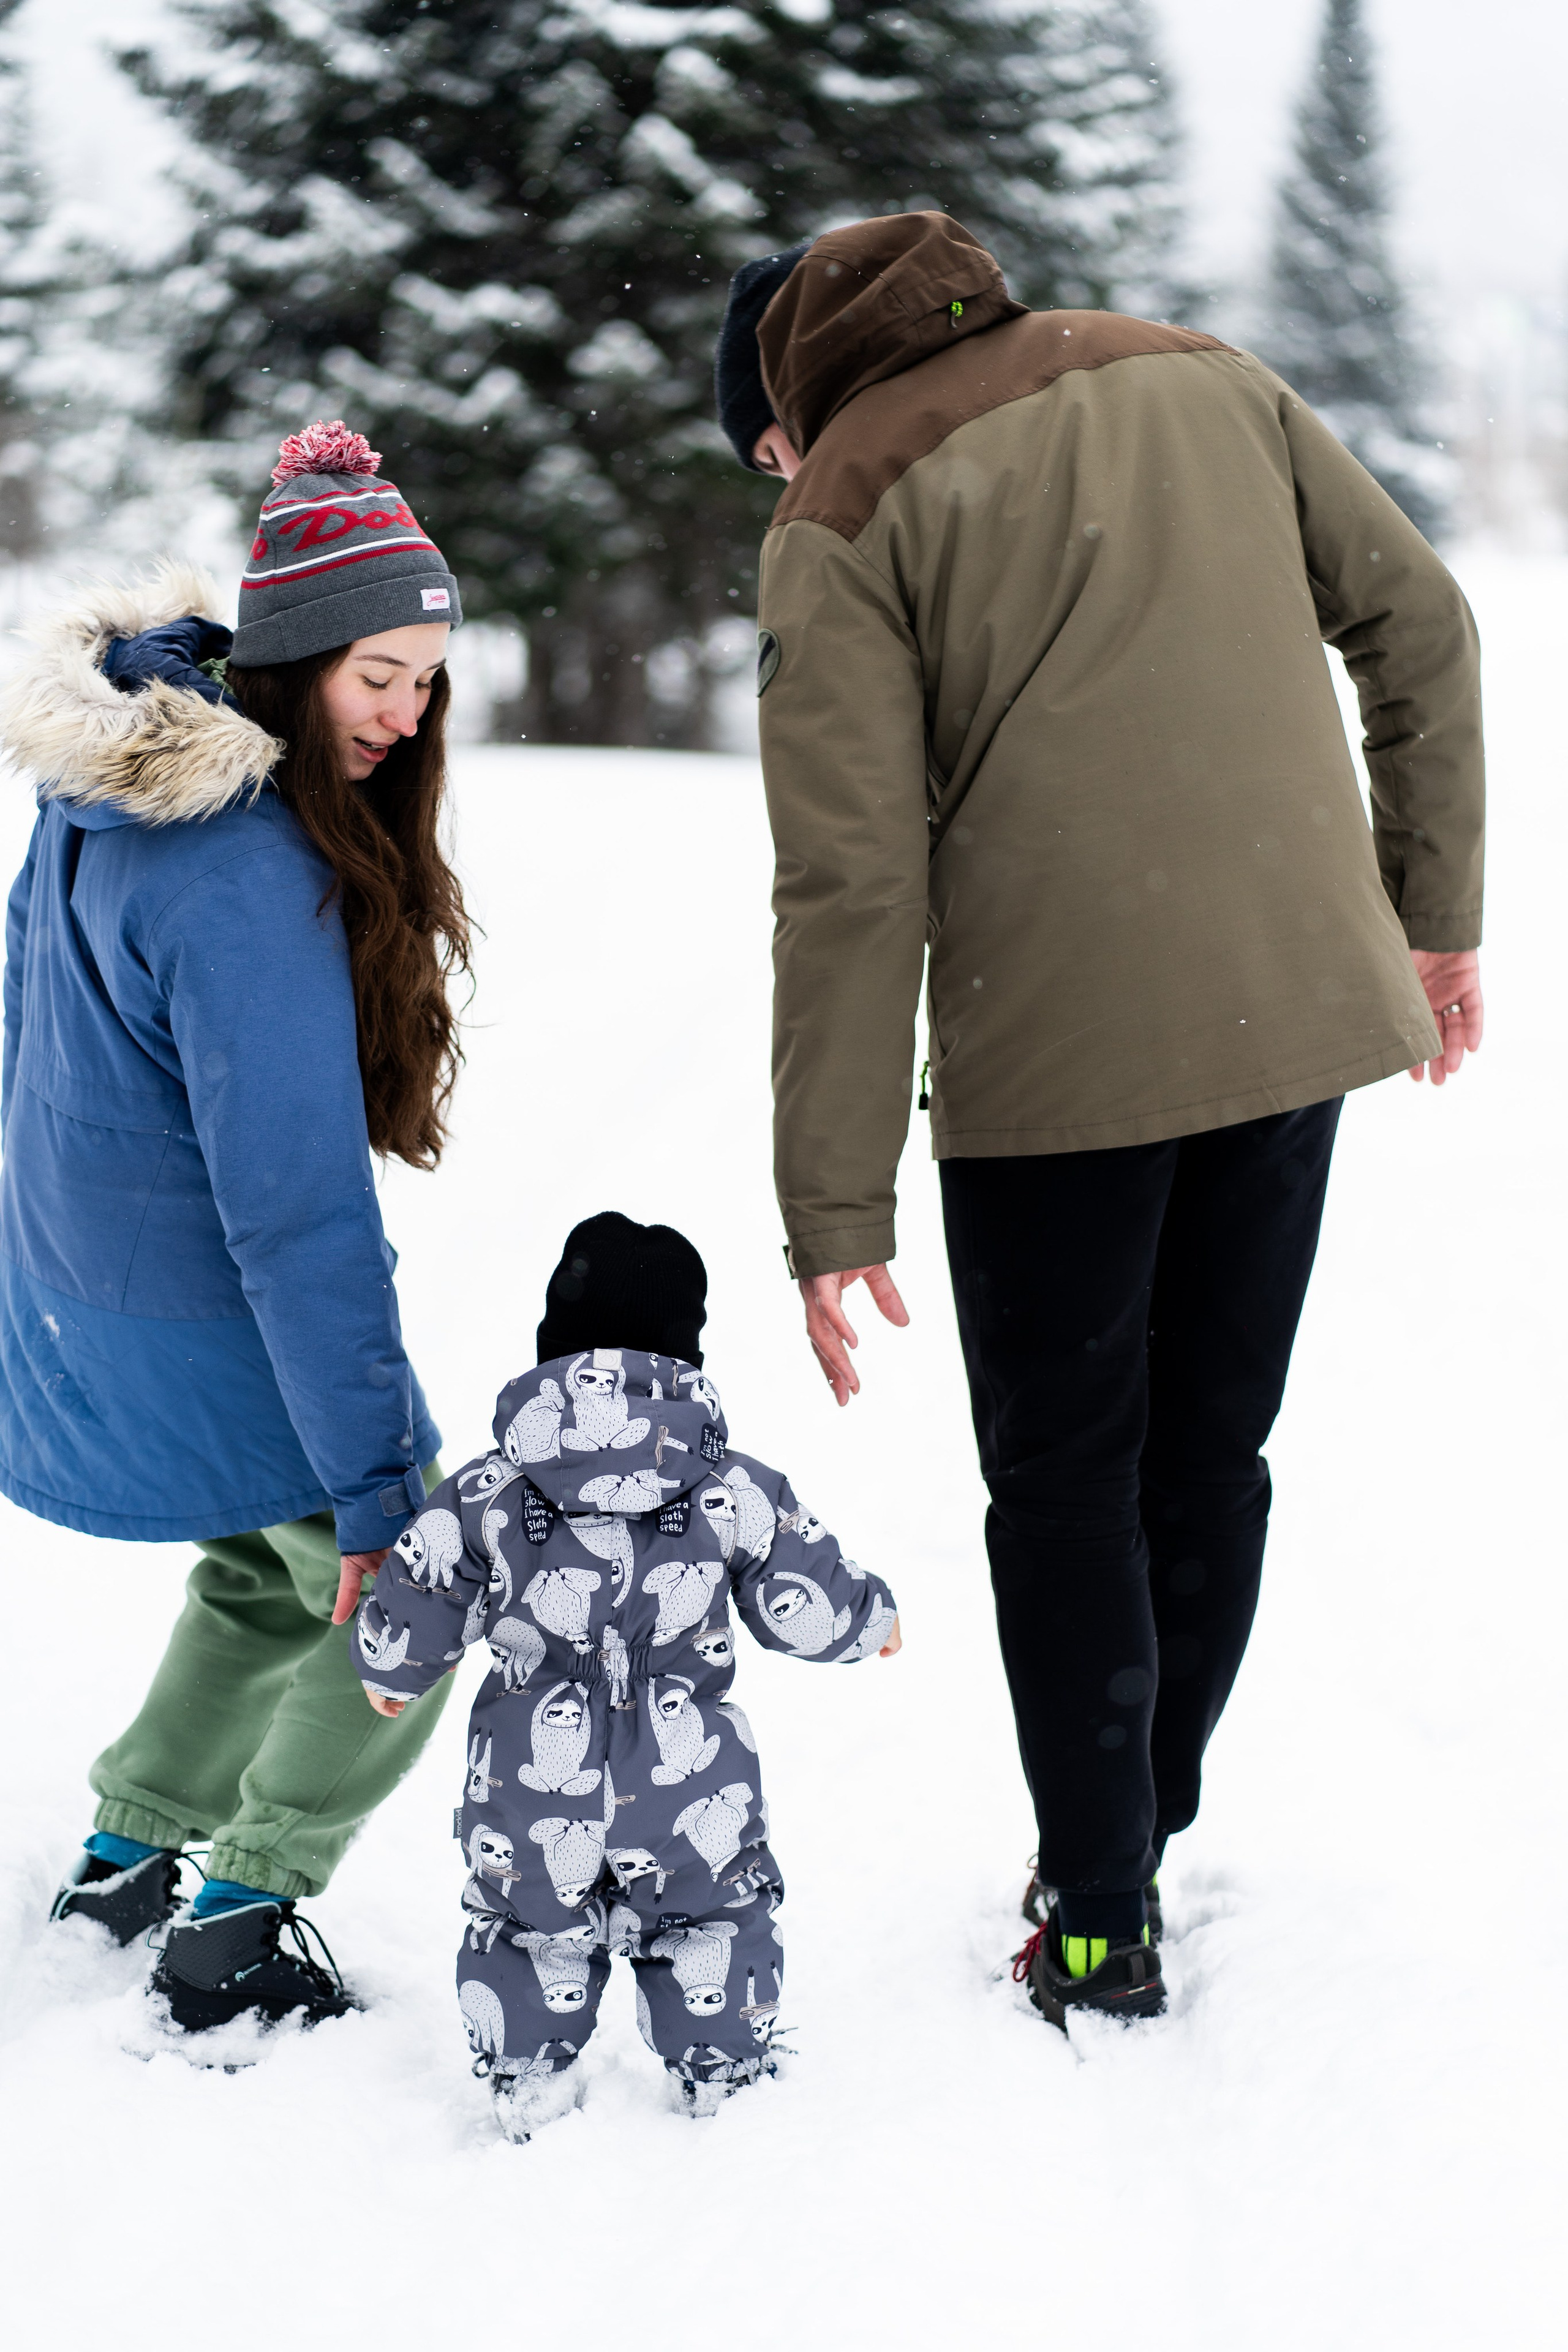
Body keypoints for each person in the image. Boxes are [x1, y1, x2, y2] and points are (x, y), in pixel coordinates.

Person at [712, 213, 1484, 2026]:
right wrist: (1432, 914)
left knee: (1068, 1487)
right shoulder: (1198, 373)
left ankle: (1098, 1908)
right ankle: (1128, 1834)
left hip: (1052, 1061)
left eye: (763, 433)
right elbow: (1423, 625)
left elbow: (847, 883)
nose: (771, 467)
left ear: (797, 393)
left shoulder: (839, 512)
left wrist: (834, 1209)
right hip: (1293, 1010)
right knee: (1209, 1455)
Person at [3, 420, 470, 2031]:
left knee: (268, 1583)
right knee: (417, 1579)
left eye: (427, 681)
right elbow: (294, 1212)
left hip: (102, 1295)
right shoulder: (248, 868)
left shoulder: (105, 790)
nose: (406, 719)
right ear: (286, 658)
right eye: (376, 677)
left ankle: (127, 1855)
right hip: (214, 1307)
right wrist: (377, 1484)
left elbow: (27, 1042)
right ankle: (240, 1920)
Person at [349, 1210, 900, 2136]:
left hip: (529, 1780)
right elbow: (802, 1591)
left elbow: (423, 1587)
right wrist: (869, 1621)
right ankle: (722, 2069)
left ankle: (528, 2076)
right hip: (689, 1779)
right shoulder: (733, 1488)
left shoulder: (489, 1492)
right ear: (686, 1359)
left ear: (551, 1356)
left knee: (530, 1926)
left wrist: (390, 1666)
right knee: (711, 1919)